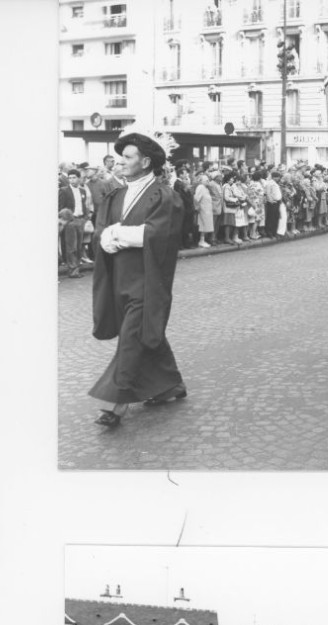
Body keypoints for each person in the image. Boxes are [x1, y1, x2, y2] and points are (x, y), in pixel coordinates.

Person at [88, 127, 186, 428]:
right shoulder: (115, 194)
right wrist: (106, 238)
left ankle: (114, 405)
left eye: (127, 157)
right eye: (121, 157)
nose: (120, 162)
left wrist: (117, 234)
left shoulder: (164, 195)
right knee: (147, 332)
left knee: (132, 338)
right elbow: (101, 230)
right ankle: (171, 384)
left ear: (145, 162)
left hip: (146, 281)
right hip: (119, 279)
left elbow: (160, 234)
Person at [58, 169, 90, 277]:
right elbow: (61, 208)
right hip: (70, 222)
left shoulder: (82, 191)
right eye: (70, 178)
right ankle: (73, 270)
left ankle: (76, 268)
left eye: (74, 177)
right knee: (71, 247)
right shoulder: (64, 190)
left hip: (80, 220)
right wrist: (66, 220)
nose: (72, 180)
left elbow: (84, 205)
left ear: (79, 178)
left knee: (79, 246)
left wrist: (85, 217)